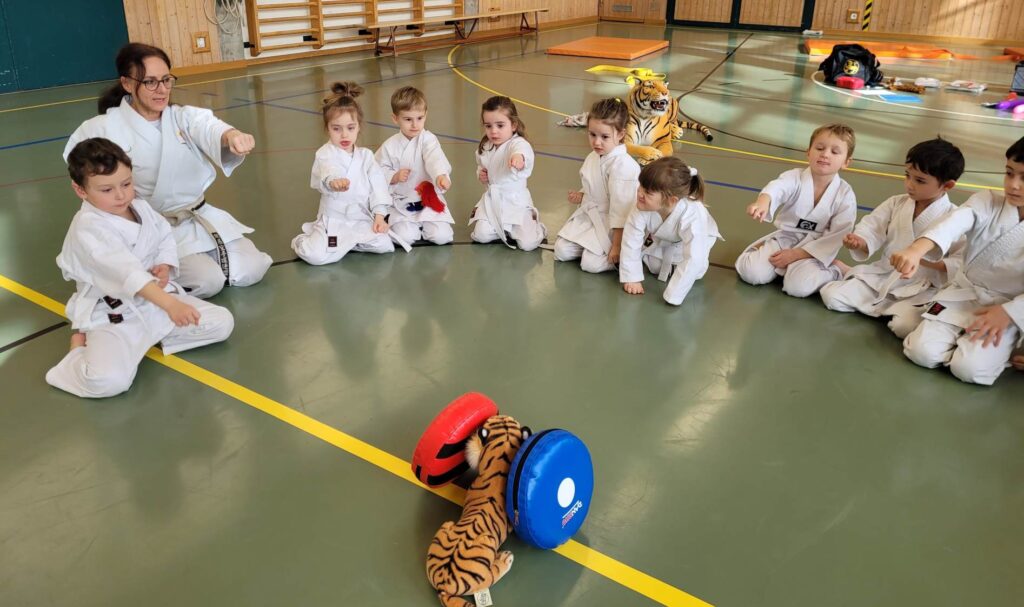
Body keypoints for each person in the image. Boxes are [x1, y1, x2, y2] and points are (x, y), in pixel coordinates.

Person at [64, 42, 270, 298]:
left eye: (166, 80)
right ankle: (146, 279)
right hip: (150, 229)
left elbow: (208, 127)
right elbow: (81, 168)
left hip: (196, 215)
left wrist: (232, 135)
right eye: (150, 82)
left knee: (252, 269)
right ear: (127, 84)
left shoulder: (182, 117)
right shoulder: (102, 127)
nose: (162, 90)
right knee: (208, 282)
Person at [46, 138, 234, 398]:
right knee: (108, 383)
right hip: (115, 314)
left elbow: (164, 235)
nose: (121, 195)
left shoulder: (139, 206)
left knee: (222, 323)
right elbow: (128, 274)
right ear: (80, 190)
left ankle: (145, 340)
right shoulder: (88, 227)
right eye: (106, 190)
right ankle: (78, 349)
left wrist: (165, 264)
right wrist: (171, 305)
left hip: (153, 302)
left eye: (126, 184)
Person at [892, 136, 1024, 385]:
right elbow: (955, 222)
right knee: (921, 352)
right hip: (963, 295)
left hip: (1007, 311)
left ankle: (1007, 346)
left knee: (969, 370)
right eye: (1009, 173)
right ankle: (946, 329)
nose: (1013, 185)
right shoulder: (987, 202)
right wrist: (917, 249)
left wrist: (1009, 313)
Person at [820, 138, 964, 338]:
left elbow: (960, 262)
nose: (910, 185)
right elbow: (872, 227)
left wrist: (923, 260)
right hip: (886, 275)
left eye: (920, 180)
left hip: (923, 288)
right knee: (831, 296)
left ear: (947, 185)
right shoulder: (896, 203)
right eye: (908, 175)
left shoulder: (955, 218)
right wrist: (860, 241)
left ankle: (876, 297)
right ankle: (869, 293)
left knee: (904, 327)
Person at [735, 124, 857, 298]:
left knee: (797, 288)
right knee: (751, 274)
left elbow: (838, 234)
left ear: (846, 162)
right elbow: (777, 188)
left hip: (816, 250)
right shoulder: (794, 177)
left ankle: (835, 269)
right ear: (808, 152)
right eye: (820, 148)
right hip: (786, 238)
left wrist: (796, 255)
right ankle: (763, 250)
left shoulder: (845, 194)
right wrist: (762, 202)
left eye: (835, 152)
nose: (825, 154)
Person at [291, 82, 399, 265]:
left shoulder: (366, 156)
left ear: (358, 127)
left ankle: (349, 243)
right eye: (336, 128)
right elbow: (327, 171)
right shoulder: (324, 153)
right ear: (327, 129)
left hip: (360, 218)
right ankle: (302, 240)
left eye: (350, 128)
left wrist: (380, 216)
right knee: (315, 257)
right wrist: (333, 181)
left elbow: (378, 187)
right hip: (334, 220)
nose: (344, 135)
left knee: (384, 244)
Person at [553, 98, 640, 273]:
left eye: (604, 137)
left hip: (613, 225)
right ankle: (592, 248)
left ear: (621, 134)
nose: (597, 142)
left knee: (590, 265)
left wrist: (616, 247)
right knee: (561, 251)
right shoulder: (594, 156)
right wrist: (582, 195)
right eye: (592, 135)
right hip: (591, 217)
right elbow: (594, 187)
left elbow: (621, 211)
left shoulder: (624, 166)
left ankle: (630, 255)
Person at [619, 157, 721, 305]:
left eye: (647, 192)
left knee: (696, 271)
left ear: (671, 200)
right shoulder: (642, 206)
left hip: (694, 243)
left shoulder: (693, 214)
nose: (639, 193)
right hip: (663, 239)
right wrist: (632, 277)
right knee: (654, 266)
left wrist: (674, 295)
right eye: (640, 186)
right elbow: (631, 240)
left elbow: (694, 257)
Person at [374, 86, 455, 245]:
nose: (415, 125)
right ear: (395, 118)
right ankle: (408, 225)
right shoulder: (389, 146)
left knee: (442, 237)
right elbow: (377, 171)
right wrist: (394, 176)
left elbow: (434, 158)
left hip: (428, 199)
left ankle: (427, 224)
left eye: (420, 118)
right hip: (401, 202)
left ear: (426, 115)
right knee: (406, 237)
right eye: (408, 119)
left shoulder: (428, 139)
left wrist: (440, 175)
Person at [469, 96, 546, 251]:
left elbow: (521, 153)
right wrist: (481, 174)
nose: (494, 131)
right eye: (488, 126)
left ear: (513, 125)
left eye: (500, 125)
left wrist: (519, 159)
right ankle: (503, 228)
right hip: (493, 201)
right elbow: (481, 165)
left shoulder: (518, 144)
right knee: (481, 235)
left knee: (527, 244)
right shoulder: (485, 146)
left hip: (516, 202)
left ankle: (537, 228)